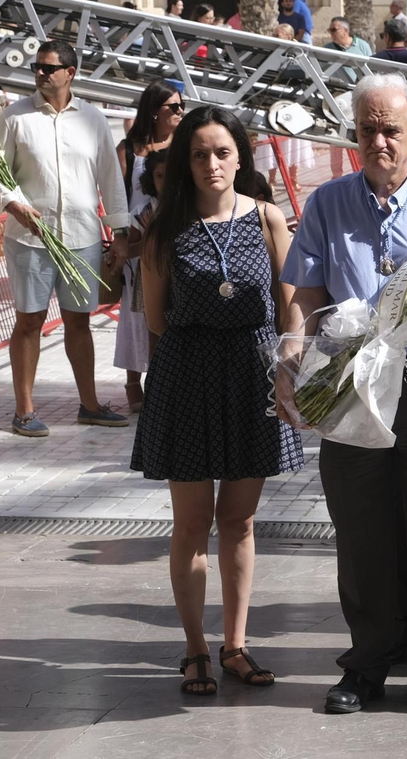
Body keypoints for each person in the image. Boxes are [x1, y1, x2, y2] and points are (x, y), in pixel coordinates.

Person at [275, 73, 407, 716]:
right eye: (366, 130)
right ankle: (367, 664)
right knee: (362, 529)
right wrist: (295, 350)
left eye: (391, 130)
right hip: (352, 386)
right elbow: (306, 291)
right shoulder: (327, 203)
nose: (378, 142)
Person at [131, 105, 302, 695]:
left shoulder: (267, 219)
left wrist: (291, 366)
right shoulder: (165, 225)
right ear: (185, 161)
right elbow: (155, 317)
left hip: (252, 377)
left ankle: (235, 643)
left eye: (222, 152)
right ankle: (195, 648)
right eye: (199, 153)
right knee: (191, 524)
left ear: (240, 157)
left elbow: (290, 309)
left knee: (240, 520)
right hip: (187, 376)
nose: (211, 164)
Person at [0, 42, 131, 436]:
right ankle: (24, 411)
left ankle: (89, 405)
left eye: (49, 68)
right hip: (29, 239)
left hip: (83, 237)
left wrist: (119, 233)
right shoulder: (15, 116)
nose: (40, 73)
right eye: (37, 67)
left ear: (71, 72)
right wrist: (14, 204)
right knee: (29, 322)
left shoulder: (93, 119)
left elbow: (110, 177)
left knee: (78, 321)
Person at [113, 80, 183, 412]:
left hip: (175, 236)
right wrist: (121, 236)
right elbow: (115, 196)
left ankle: (164, 380)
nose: (181, 113)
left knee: (167, 311)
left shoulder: (184, 144)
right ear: (154, 112)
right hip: (137, 237)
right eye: (174, 107)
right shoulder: (128, 150)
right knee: (134, 314)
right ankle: (132, 382)